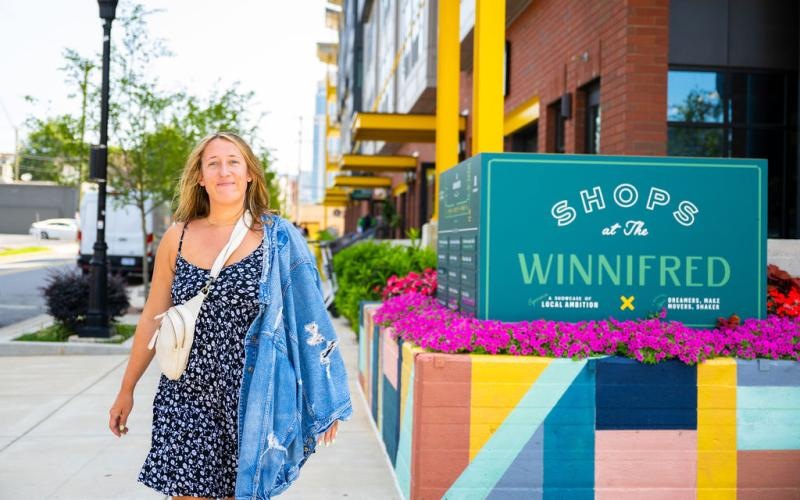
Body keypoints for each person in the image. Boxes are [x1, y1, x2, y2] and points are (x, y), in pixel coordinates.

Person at [108, 132, 352, 499]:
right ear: (200, 177)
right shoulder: (177, 237)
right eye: (214, 163)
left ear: (249, 173)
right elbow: (152, 318)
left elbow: (309, 317)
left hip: (253, 393)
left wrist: (326, 398)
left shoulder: (278, 237)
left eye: (233, 162)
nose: (225, 171)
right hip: (186, 393)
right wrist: (127, 389)